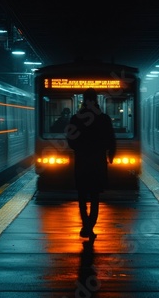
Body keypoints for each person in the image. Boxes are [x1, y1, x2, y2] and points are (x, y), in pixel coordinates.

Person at [67, 88, 116, 240]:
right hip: (98, 162)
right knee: (95, 197)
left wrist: (79, 149)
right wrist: (110, 154)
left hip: (81, 162)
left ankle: (85, 225)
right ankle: (90, 226)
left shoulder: (76, 118)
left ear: (83, 100)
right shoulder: (104, 119)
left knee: (82, 196)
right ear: (96, 100)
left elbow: (70, 140)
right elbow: (111, 139)